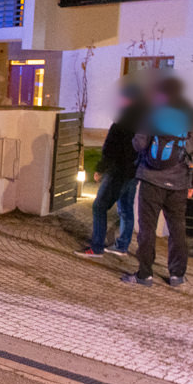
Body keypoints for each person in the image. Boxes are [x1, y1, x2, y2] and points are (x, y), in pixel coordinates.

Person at [122, 76, 193, 287]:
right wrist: (192, 183)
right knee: (177, 228)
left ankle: (144, 274)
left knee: (147, 228)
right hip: (179, 183)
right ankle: (177, 275)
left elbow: (140, 144)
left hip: (151, 178)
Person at [74, 83, 143, 258]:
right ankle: (122, 246)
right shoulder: (143, 120)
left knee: (99, 206)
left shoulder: (122, 121)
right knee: (126, 208)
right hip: (133, 172)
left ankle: (96, 247)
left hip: (117, 171)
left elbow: (110, 148)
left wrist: (100, 169)